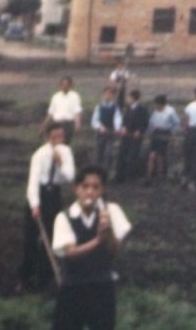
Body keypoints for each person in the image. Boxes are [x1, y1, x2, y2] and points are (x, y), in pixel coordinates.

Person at [51, 165, 132, 330]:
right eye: (85, 186)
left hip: (102, 285)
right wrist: (97, 240)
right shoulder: (64, 217)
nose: (90, 192)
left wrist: (108, 231)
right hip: (73, 287)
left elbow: (114, 251)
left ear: (102, 190)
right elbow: (71, 253)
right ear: (76, 189)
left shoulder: (111, 211)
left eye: (96, 187)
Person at [18, 123, 75, 292]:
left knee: (51, 235)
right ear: (48, 136)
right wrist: (35, 205)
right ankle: (25, 277)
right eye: (56, 136)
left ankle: (45, 277)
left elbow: (70, 177)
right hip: (39, 195)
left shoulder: (66, 152)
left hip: (54, 195)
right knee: (31, 237)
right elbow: (33, 182)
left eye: (62, 136)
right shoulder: (39, 154)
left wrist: (61, 163)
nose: (59, 139)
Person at [115, 90, 149, 183]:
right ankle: (119, 176)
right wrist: (124, 128)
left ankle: (130, 176)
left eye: (129, 97)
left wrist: (139, 131)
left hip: (135, 136)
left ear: (133, 98)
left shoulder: (142, 109)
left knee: (132, 156)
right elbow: (124, 121)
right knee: (122, 154)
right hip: (126, 135)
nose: (127, 99)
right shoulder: (128, 109)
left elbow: (145, 122)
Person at [145, 94, 180, 184]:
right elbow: (151, 123)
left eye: (157, 104)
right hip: (156, 133)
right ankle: (149, 176)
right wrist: (149, 132)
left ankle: (160, 175)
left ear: (161, 104)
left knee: (160, 155)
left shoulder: (170, 111)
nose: (156, 106)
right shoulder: (155, 112)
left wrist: (173, 134)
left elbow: (176, 123)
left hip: (165, 133)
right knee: (152, 155)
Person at [91, 87, 122, 172]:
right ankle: (96, 171)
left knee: (107, 153)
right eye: (106, 94)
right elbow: (94, 120)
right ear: (103, 95)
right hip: (100, 133)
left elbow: (117, 119)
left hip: (110, 133)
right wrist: (100, 127)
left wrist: (117, 128)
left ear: (113, 96)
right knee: (98, 153)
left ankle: (105, 172)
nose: (108, 96)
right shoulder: (99, 107)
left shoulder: (115, 108)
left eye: (110, 94)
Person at [44, 76, 82, 145]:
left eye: (67, 84)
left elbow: (77, 112)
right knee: (54, 144)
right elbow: (51, 113)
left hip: (68, 124)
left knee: (65, 144)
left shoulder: (75, 96)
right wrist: (44, 124)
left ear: (70, 85)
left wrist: (77, 124)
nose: (65, 86)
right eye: (63, 84)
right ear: (60, 85)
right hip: (56, 124)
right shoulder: (56, 96)